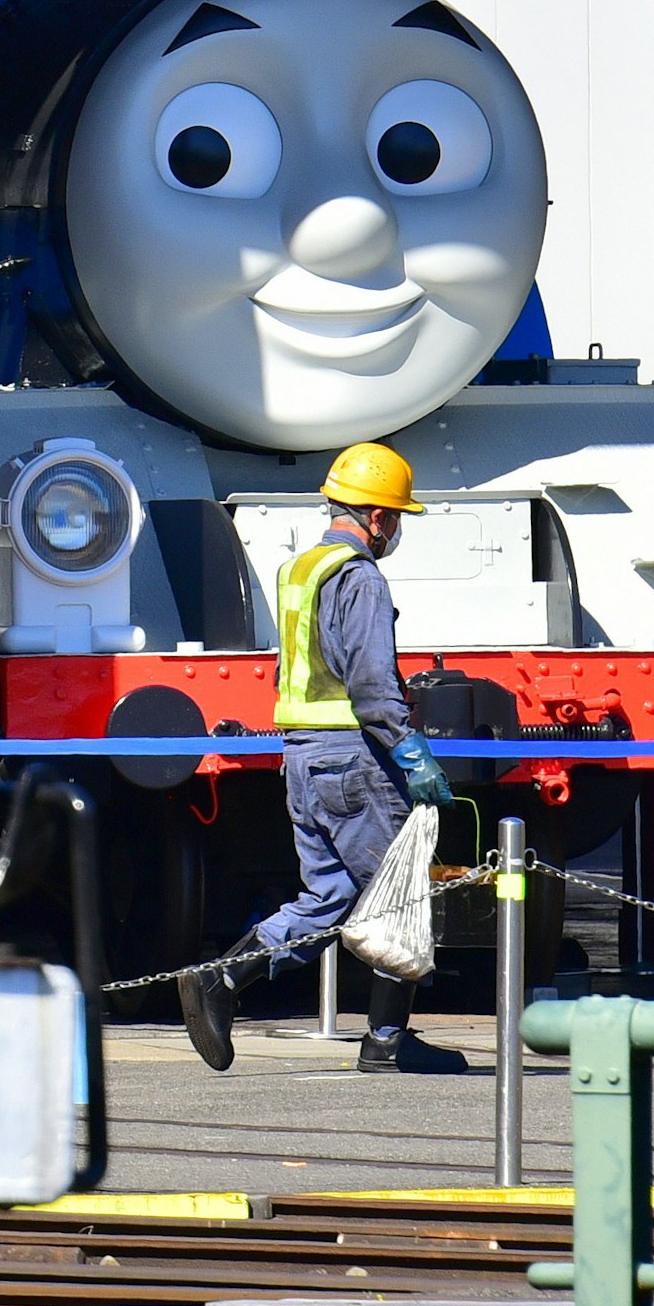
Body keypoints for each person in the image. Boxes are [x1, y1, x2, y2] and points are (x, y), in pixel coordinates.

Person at [179, 440, 464, 1076]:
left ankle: (223, 981)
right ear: (380, 517)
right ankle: (387, 1043)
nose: (394, 532)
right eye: (396, 519)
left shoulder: (301, 568)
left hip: (303, 757)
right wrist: (409, 749)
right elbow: (369, 681)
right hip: (354, 760)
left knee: (331, 895)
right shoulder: (360, 576)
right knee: (400, 896)